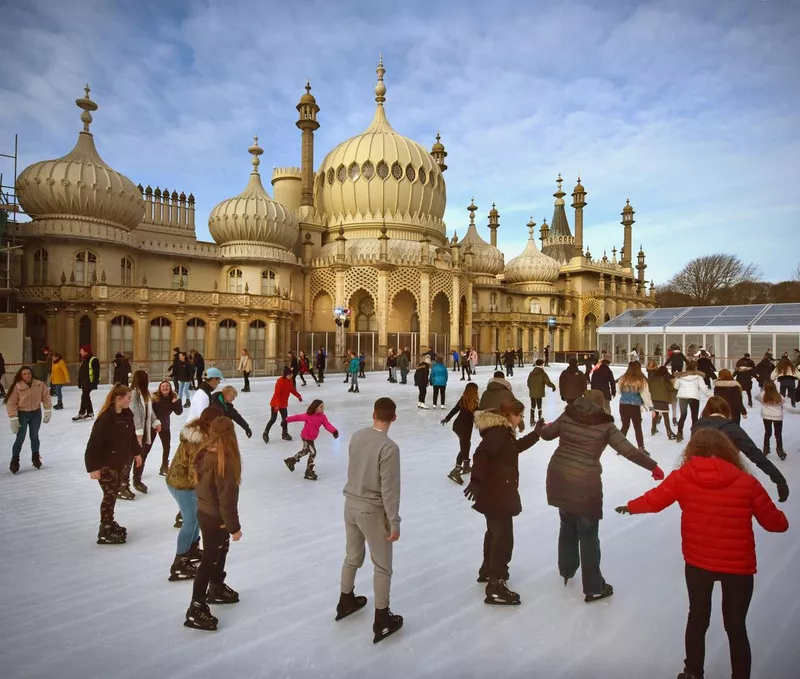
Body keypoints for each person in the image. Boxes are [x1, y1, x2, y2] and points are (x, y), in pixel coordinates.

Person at [617, 428, 789, 679]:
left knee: (697, 617)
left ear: (692, 451)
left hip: (698, 564)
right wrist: (782, 517)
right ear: (728, 451)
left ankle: (693, 672)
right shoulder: (746, 482)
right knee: (736, 627)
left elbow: (656, 499)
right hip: (738, 568)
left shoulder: (683, 476)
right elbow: (776, 524)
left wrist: (631, 506)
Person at [540, 390, 663, 603]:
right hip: (585, 483)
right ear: (601, 405)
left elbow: (547, 434)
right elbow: (629, 451)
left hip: (559, 475)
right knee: (588, 534)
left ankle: (567, 570)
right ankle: (594, 587)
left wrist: (541, 427)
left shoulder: (568, 415)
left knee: (567, 523)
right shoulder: (605, 425)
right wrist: (653, 466)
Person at [464, 398, 544, 605]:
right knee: (503, 538)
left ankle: (488, 570)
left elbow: (514, 448)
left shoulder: (502, 430)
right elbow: (481, 454)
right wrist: (475, 480)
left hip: (496, 490)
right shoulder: (499, 431)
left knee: (495, 533)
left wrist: (536, 434)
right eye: (520, 416)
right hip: (497, 492)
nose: (521, 420)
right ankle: (496, 586)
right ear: (510, 415)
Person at [338, 397, 403, 643]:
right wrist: (394, 521)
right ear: (394, 418)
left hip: (350, 505)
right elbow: (390, 489)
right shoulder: (389, 448)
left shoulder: (357, 436)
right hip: (372, 511)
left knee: (352, 556)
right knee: (382, 565)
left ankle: (345, 599)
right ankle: (382, 619)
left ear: (373, 414)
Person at [184, 417, 243, 631]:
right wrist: (234, 527)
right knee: (210, 558)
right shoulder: (224, 461)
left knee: (220, 550)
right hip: (215, 517)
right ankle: (195, 606)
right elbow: (227, 501)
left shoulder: (205, 451)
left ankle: (216, 587)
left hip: (205, 511)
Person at [692, 396, 789, 502]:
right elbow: (754, 453)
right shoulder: (732, 428)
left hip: (699, 479)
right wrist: (779, 479)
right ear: (726, 410)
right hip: (728, 478)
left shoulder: (697, 427)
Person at [166, 407, 223, 583]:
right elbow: (194, 470)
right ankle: (179, 562)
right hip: (181, 484)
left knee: (196, 517)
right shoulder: (196, 441)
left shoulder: (203, 435)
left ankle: (192, 549)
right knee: (190, 520)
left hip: (186, 483)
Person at [84, 384, 142, 545]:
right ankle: (105, 528)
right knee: (109, 495)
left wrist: (137, 453)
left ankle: (109, 522)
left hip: (120, 461)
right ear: (119, 398)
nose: (130, 401)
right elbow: (93, 445)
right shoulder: (105, 419)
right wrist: (93, 468)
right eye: (128, 398)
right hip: (105, 464)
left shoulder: (126, 414)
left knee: (113, 492)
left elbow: (131, 436)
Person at [5, 365, 52, 474]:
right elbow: (11, 403)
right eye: (24, 374)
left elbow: (46, 397)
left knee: (34, 436)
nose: (27, 376)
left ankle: (35, 457)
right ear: (20, 376)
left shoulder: (39, 385)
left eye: (29, 373)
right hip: (22, 414)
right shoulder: (17, 387)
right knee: (20, 437)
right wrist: (13, 418)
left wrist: (48, 410)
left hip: (36, 413)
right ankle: (15, 460)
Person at [122, 369, 162, 497]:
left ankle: (137, 480)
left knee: (141, 457)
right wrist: (138, 433)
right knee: (130, 458)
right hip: (133, 433)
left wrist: (156, 422)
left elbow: (149, 411)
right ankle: (123, 485)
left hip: (144, 432)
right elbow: (135, 414)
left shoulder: (145, 393)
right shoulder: (133, 393)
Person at [283, 399, 339, 480]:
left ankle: (291, 460)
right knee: (313, 452)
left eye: (323, 406)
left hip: (312, 437)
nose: (323, 408)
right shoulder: (308, 415)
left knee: (305, 451)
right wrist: (286, 420)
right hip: (306, 436)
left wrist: (334, 431)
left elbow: (327, 425)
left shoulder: (322, 417)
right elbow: (297, 417)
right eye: (321, 407)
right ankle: (308, 470)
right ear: (315, 408)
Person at [441, 382, 479, 484]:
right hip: (463, 428)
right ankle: (456, 471)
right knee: (464, 448)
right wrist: (447, 418)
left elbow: (455, 410)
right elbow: (476, 415)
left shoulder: (464, 399)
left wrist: (447, 419)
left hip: (459, 426)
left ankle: (466, 465)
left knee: (467, 444)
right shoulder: (473, 402)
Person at [616, 361, 653, 454]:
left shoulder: (623, 379)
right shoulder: (641, 380)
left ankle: (620, 447)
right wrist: (651, 407)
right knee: (637, 427)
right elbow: (645, 395)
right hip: (634, 406)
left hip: (623, 405)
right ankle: (641, 448)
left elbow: (619, 391)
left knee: (625, 426)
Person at [674, 361, 713, 442]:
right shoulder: (698, 377)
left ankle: (679, 433)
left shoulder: (680, 376)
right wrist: (712, 397)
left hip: (683, 397)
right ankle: (694, 435)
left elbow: (676, 387)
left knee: (683, 416)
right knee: (694, 417)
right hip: (694, 397)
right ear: (696, 367)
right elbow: (704, 389)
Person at [262, 366, 302, 444]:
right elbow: (277, 394)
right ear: (286, 375)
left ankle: (284, 433)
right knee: (273, 419)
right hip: (275, 403)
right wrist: (277, 405)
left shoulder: (290, 381)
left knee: (285, 419)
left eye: (292, 375)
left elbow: (292, 390)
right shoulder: (280, 381)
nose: (291, 376)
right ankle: (266, 432)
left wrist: (298, 396)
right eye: (290, 375)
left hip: (283, 404)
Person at [152, 380, 183, 475]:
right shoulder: (155, 398)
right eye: (163, 386)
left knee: (166, 447)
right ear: (160, 389)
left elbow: (179, 412)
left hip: (164, 425)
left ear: (170, 388)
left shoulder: (172, 399)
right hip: (152, 425)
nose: (165, 388)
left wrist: (177, 402)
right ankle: (139, 469)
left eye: (167, 386)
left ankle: (164, 467)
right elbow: (150, 412)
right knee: (146, 448)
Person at [647, 364, 677, 440]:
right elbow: (671, 388)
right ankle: (669, 432)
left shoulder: (652, 378)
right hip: (663, 400)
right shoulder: (665, 379)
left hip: (653, 399)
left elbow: (648, 387)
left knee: (655, 413)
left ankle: (653, 429)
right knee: (665, 416)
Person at [73, 345, 100, 421]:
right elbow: (81, 373)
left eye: (81, 351)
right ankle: (90, 412)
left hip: (89, 382)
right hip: (84, 382)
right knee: (86, 396)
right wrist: (79, 382)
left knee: (84, 397)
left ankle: (81, 413)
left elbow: (96, 373)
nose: (80, 352)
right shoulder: (84, 360)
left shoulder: (94, 360)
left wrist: (94, 383)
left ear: (86, 352)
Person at [760, 380, 785, 459]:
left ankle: (766, 449)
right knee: (778, 434)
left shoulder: (762, 395)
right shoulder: (779, 396)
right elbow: (783, 402)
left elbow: (756, 398)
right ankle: (780, 450)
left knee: (767, 432)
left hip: (766, 416)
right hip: (778, 417)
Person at [527, 359, 556, 423]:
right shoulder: (543, 373)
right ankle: (540, 418)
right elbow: (547, 382)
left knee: (533, 405)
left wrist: (531, 388)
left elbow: (528, 382)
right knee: (539, 405)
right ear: (542, 364)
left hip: (532, 392)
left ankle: (532, 418)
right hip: (539, 392)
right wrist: (553, 386)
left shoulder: (531, 373)